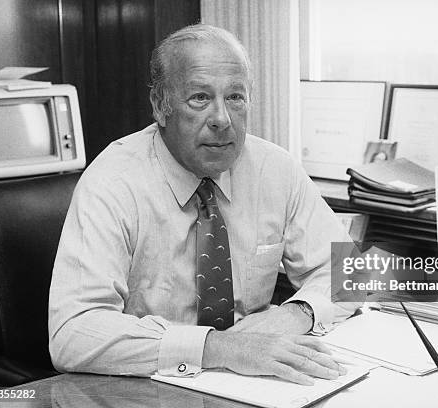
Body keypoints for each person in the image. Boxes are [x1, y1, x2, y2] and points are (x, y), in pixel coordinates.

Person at [48, 24, 354, 386]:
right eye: (200, 98)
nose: (222, 120)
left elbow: (355, 270)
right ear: (160, 107)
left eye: (236, 97)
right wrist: (221, 348)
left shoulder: (275, 169)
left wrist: (297, 314)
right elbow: (73, 333)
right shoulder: (113, 183)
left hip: (256, 381)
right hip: (149, 387)